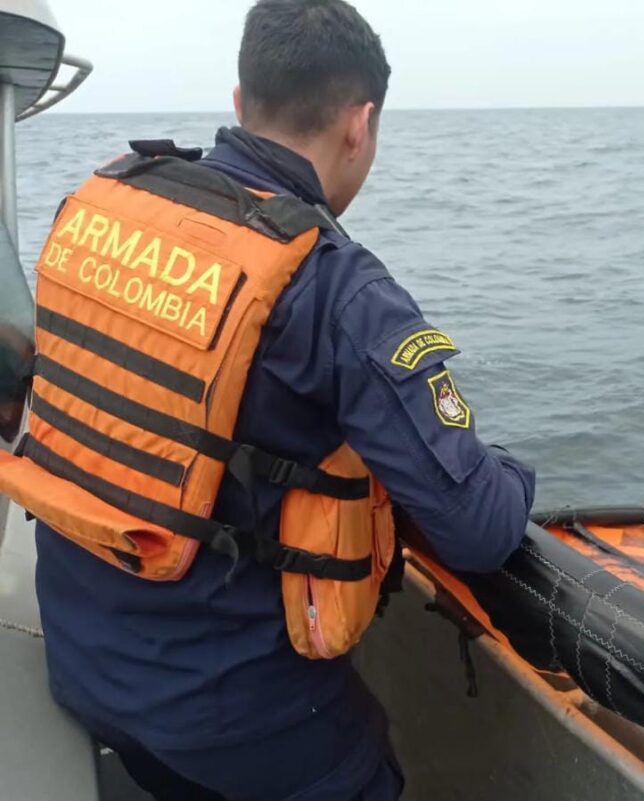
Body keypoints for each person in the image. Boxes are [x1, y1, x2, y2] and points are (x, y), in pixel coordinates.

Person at [22, 1, 537, 798]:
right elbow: (477, 527)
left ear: (239, 102)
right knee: (368, 764)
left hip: (87, 668)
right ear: (360, 124)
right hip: (232, 722)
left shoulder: (95, 207)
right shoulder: (340, 291)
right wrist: (507, 471)